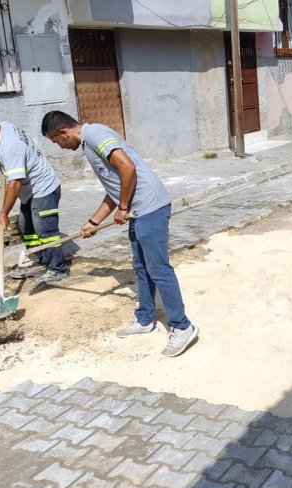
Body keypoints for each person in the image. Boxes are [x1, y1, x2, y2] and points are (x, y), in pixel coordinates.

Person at [41, 111, 199, 357]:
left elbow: (128, 168)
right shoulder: (89, 143)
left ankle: (182, 326)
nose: (59, 147)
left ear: (63, 132)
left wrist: (124, 207)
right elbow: (116, 187)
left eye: (55, 141)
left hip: (150, 208)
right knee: (141, 266)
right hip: (139, 211)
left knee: (158, 268)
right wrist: (94, 221)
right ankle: (145, 319)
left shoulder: (95, 134)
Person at [0, 111, 67, 288]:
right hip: (30, 190)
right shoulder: (5, 126)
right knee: (26, 226)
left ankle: (57, 269)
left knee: (45, 228)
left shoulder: (9, 147)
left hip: (43, 187)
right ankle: (40, 260)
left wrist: (3, 213)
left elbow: (14, 183)